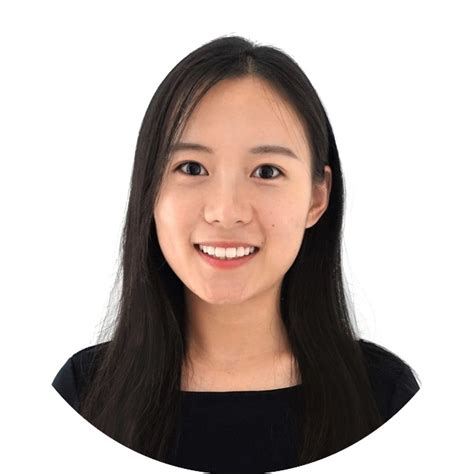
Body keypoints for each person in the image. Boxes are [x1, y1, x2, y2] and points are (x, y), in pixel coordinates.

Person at [52, 35, 420, 472]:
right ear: (149, 189)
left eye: (267, 171)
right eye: (192, 168)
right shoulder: (83, 397)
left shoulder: (384, 400)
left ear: (317, 197)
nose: (226, 212)